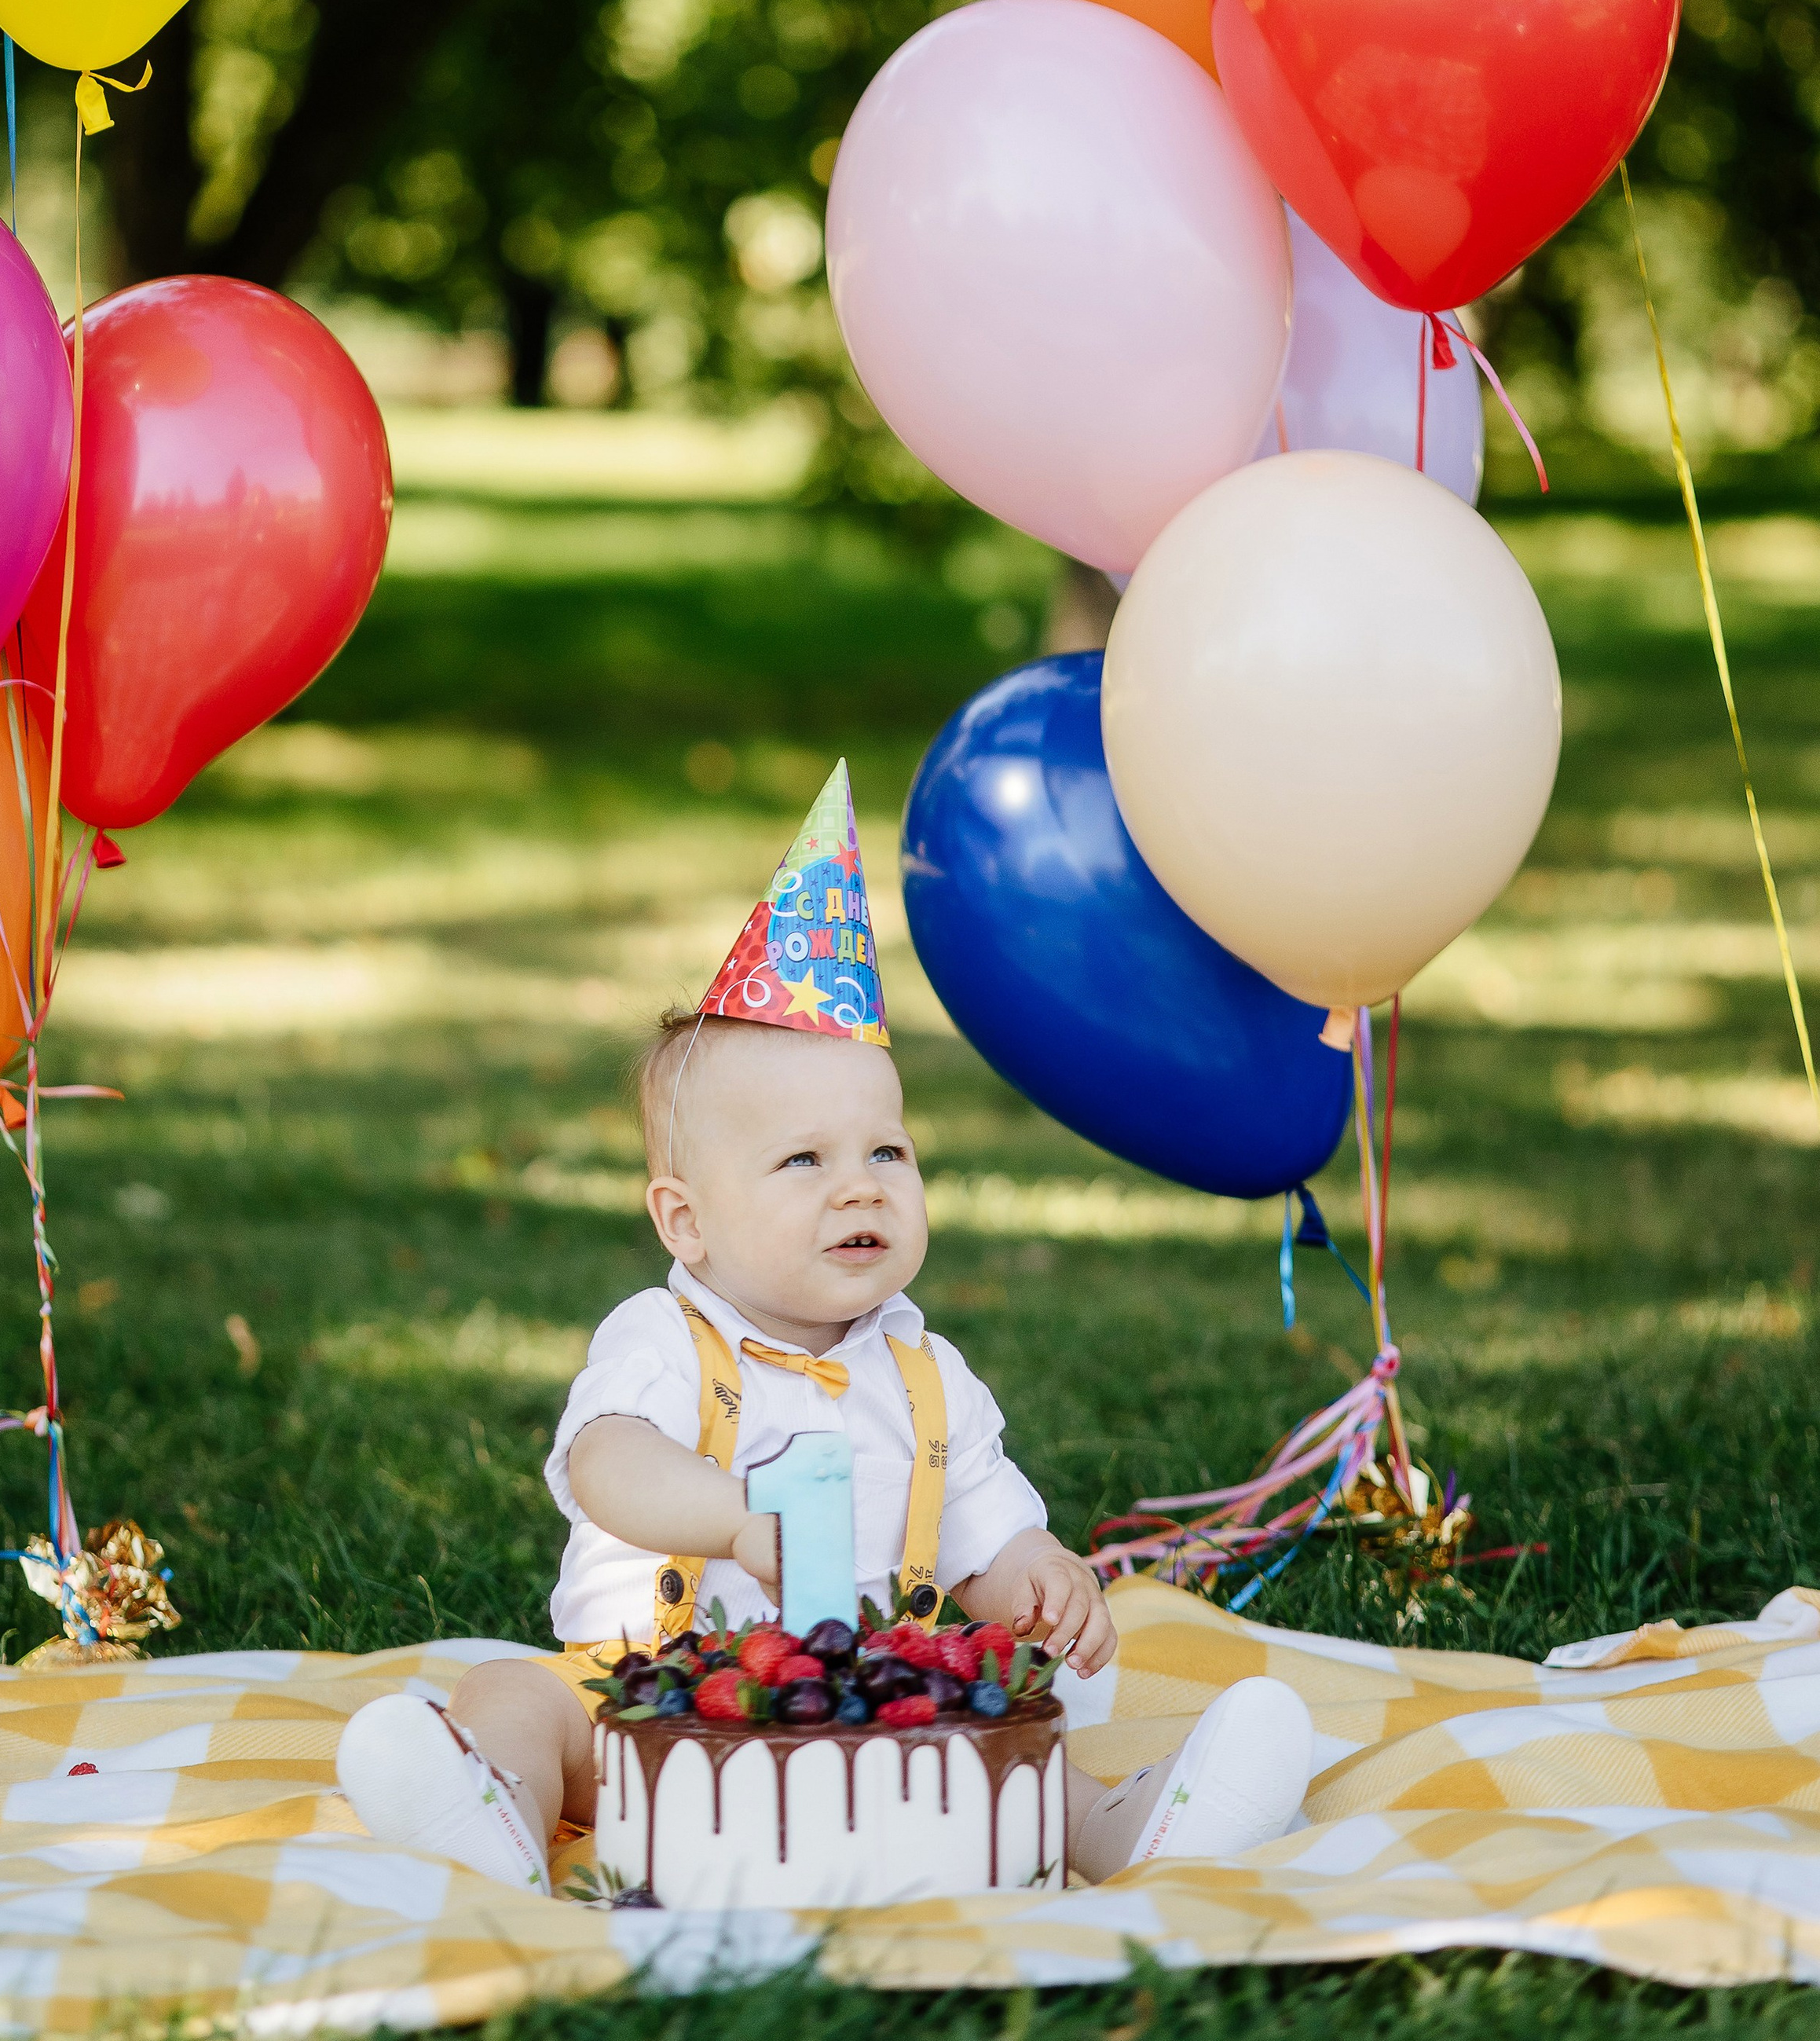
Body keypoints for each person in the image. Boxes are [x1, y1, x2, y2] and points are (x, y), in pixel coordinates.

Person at [338, 763, 1314, 1894]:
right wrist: (734, 1520)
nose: (860, 1187)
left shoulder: (925, 1376)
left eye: (886, 1152)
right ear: (686, 1220)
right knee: (512, 1693)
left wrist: (1041, 1580)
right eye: (803, 1160)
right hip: (651, 1717)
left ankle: (1136, 1826)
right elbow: (609, 1464)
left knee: (1019, 1733)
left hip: (873, 1713)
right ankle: (490, 1815)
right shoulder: (662, 1337)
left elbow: (984, 1541)